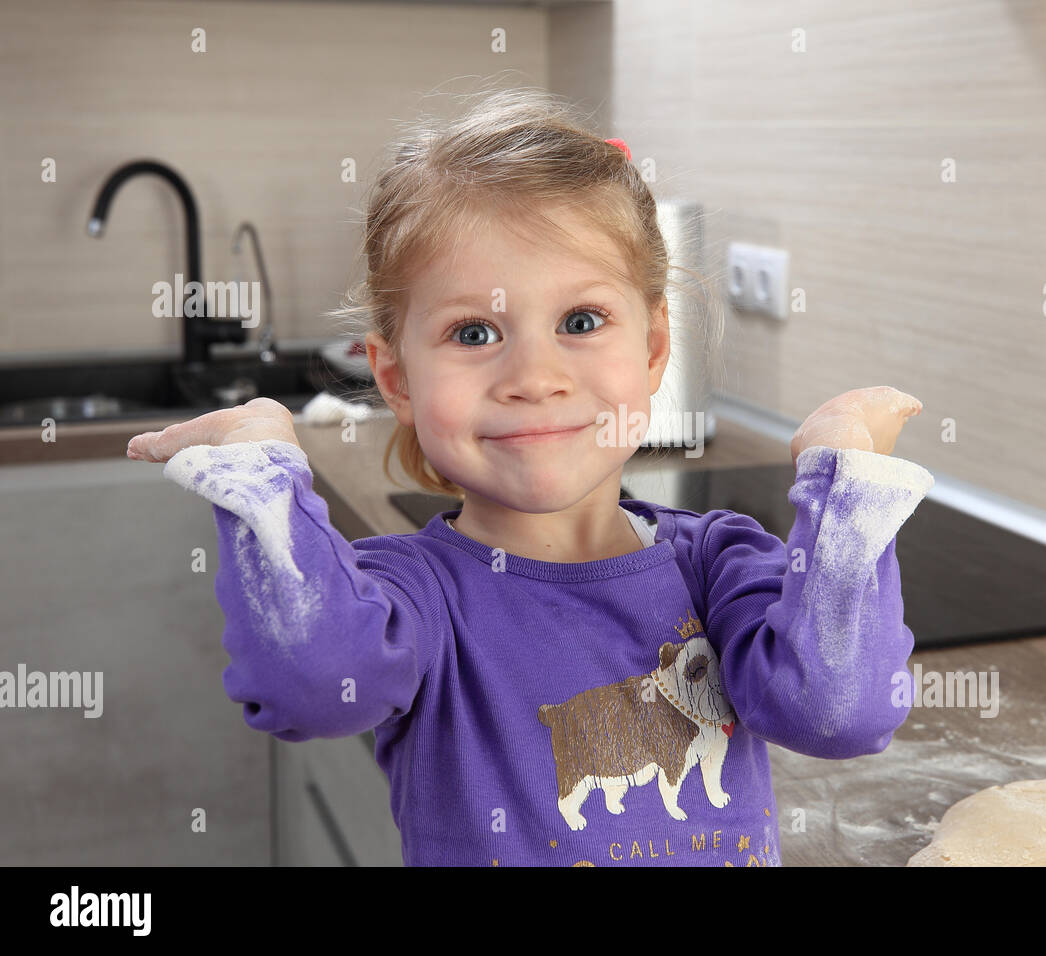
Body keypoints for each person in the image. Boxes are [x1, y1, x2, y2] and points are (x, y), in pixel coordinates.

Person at [125, 87, 933, 867]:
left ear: (654, 349)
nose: (534, 375)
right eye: (474, 331)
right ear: (398, 377)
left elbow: (840, 711)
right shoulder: (412, 599)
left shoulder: (718, 567)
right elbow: (309, 686)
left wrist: (847, 480)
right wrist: (261, 476)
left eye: (581, 322)